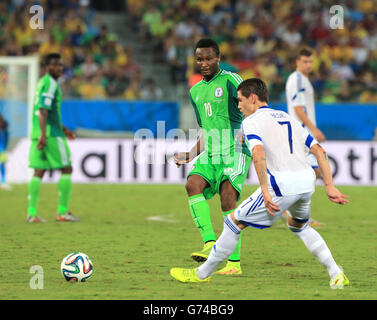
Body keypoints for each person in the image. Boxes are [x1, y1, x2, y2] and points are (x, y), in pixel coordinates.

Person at [170, 78, 350, 289]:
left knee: (232, 222)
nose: (238, 106)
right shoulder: (286, 117)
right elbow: (319, 151)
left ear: (253, 98)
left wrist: (265, 190)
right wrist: (329, 185)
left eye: (240, 100)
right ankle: (336, 272)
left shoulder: (251, 122)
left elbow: (258, 153)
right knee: (299, 226)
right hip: (306, 183)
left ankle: (201, 274)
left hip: (282, 186)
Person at [173, 38, 252, 275]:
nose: (204, 63)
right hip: (211, 152)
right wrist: (190, 153)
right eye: (200, 59)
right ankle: (209, 244)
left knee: (228, 198)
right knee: (192, 184)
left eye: (209, 58)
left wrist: (249, 132)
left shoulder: (231, 80)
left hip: (235, 151)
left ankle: (234, 264)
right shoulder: (195, 91)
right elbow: (207, 130)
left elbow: (251, 105)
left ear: (218, 58)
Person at [27, 53, 79, 223]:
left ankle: (32, 213)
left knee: (38, 172)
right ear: (46, 67)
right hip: (49, 135)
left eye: (61, 65)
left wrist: (64, 129)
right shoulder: (50, 84)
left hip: (38, 133)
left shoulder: (41, 83)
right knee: (67, 169)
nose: (60, 68)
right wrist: (45, 134)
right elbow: (44, 111)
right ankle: (62, 212)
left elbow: (46, 112)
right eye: (56, 65)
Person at [285, 48, 326, 227]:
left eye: (310, 62)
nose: (308, 65)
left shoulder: (302, 80)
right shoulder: (298, 80)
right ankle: (295, 213)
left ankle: (291, 210)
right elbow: (298, 108)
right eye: (305, 62)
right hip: (302, 135)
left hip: (301, 134)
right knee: (313, 172)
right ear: (297, 62)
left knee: (312, 172)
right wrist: (313, 129)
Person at [0, 113, 11, 190]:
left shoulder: (5, 126)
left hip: (2, 149)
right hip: (2, 148)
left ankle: (3, 182)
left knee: (2, 165)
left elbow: (7, 137)